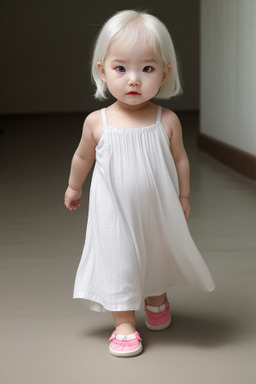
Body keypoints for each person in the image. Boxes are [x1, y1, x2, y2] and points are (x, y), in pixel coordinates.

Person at [64, 9, 215, 357]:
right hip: (113, 211)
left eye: (147, 69)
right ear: (103, 71)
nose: (134, 79)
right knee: (120, 258)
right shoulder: (97, 122)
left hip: (156, 209)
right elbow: (83, 157)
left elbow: (180, 159)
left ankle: (156, 298)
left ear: (164, 73)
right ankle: (123, 322)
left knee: (156, 250)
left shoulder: (167, 120)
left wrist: (184, 194)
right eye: (121, 69)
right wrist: (74, 187)